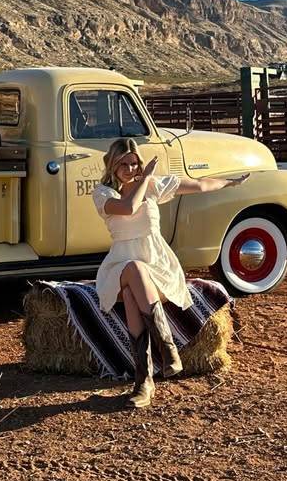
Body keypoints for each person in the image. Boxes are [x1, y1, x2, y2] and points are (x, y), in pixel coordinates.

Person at [91, 137, 249, 408]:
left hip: (156, 264)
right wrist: (145, 179)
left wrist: (230, 181)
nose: (131, 168)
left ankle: (143, 383)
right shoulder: (104, 194)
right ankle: (167, 347)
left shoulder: (151, 186)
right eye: (124, 164)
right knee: (132, 270)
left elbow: (198, 185)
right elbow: (128, 209)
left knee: (132, 293)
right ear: (113, 166)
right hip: (120, 264)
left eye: (134, 163)